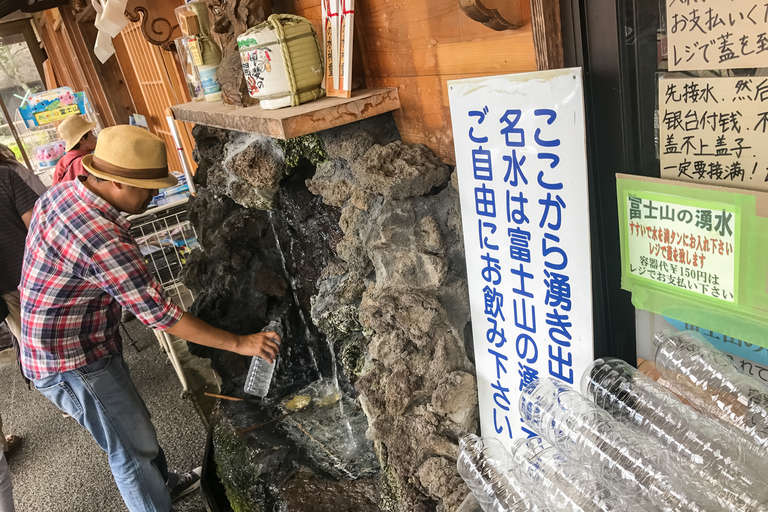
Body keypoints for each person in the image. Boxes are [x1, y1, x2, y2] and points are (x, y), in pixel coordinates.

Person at [19, 125, 280, 511]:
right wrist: (241, 343)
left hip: (82, 339)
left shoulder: (63, 193)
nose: (156, 193)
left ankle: (164, 484)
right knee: (129, 450)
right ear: (117, 183)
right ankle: (152, 497)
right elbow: (162, 316)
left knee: (133, 425)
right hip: (70, 360)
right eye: (150, 187)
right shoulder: (101, 238)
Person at [0, 165, 39, 512]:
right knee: (50, 343)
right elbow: (36, 227)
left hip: (6, 288)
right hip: (33, 276)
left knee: (31, 343)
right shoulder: (6, 175)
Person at [52, 115, 97, 185]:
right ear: (81, 140)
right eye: (91, 134)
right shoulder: (84, 162)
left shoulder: (62, 161)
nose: (94, 137)